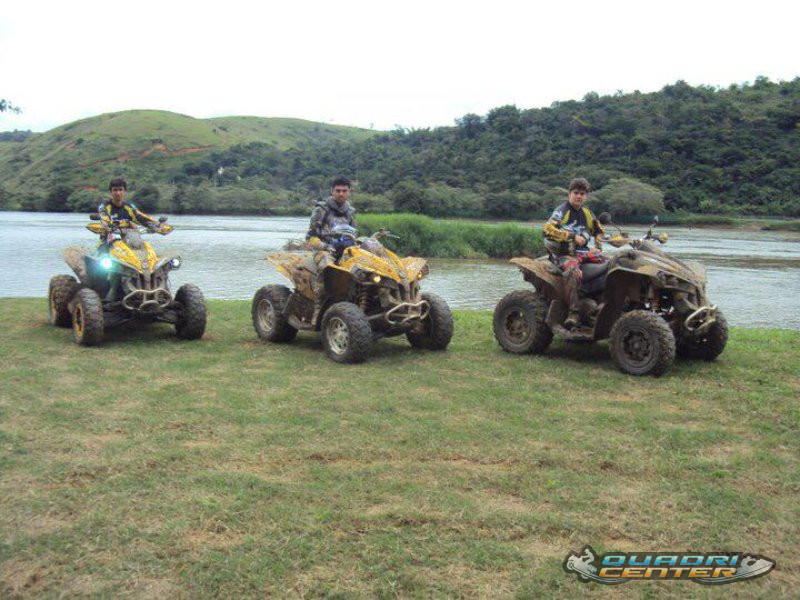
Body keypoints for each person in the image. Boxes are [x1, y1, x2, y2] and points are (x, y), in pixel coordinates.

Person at [542, 177, 605, 329]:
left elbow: (599, 230)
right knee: (573, 272)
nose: (578, 196)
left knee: (612, 262)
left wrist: (598, 245)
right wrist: (571, 236)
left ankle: (602, 303)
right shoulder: (562, 211)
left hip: (583, 252)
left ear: (586, 196)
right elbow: (547, 229)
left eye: (582, 194)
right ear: (569, 194)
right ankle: (574, 313)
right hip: (563, 253)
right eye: (576, 193)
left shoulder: (587, 213)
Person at [97, 178, 160, 252]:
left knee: (142, 244)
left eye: (120, 190)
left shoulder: (129, 207)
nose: (118, 193)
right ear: (111, 192)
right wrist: (107, 225)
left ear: (125, 191)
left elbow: (140, 217)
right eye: (115, 190)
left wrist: (157, 224)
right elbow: (104, 218)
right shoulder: (104, 206)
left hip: (127, 242)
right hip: (107, 243)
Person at [306, 176, 357, 249]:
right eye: (338, 191)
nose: (341, 194)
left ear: (349, 192)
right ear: (332, 191)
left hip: (345, 249)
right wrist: (326, 247)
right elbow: (310, 237)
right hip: (325, 250)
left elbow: (353, 235)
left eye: (344, 191)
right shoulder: (321, 210)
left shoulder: (351, 212)